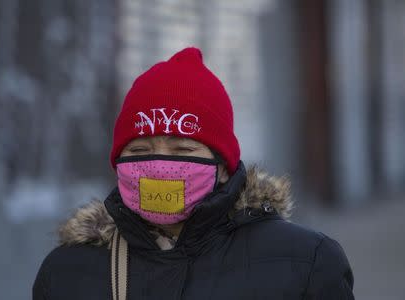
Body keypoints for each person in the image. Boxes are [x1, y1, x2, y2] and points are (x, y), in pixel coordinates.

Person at [33, 47, 354, 300]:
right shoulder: (67, 271)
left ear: (224, 168)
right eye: (140, 151)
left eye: (182, 151)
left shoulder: (306, 262)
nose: (159, 166)